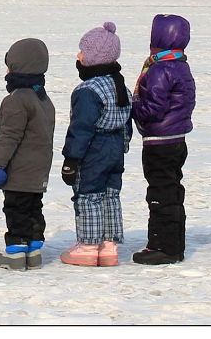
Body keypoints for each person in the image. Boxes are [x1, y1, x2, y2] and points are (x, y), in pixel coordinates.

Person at [60, 22, 133, 267]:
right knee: (111, 195)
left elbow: (81, 128)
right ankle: (108, 245)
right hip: (115, 149)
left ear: (93, 58)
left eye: (82, 51)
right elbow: (126, 123)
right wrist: (123, 146)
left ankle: (89, 246)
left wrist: (71, 159)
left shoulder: (88, 90)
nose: (78, 56)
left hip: (95, 149)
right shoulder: (120, 85)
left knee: (89, 194)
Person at [130, 14, 196, 265]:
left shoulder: (160, 69)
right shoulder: (180, 65)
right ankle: (174, 243)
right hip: (176, 140)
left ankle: (163, 246)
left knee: (161, 194)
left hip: (161, 141)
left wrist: (132, 108)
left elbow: (153, 108)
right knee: (172, 191)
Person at [0, 38, 56, 271]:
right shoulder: (44, 100)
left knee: (16, 210)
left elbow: (9, 137)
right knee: (33, 209)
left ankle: (16, 252)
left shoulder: (15, 101)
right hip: (38, 172)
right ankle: (33, 251)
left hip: (19, 173)